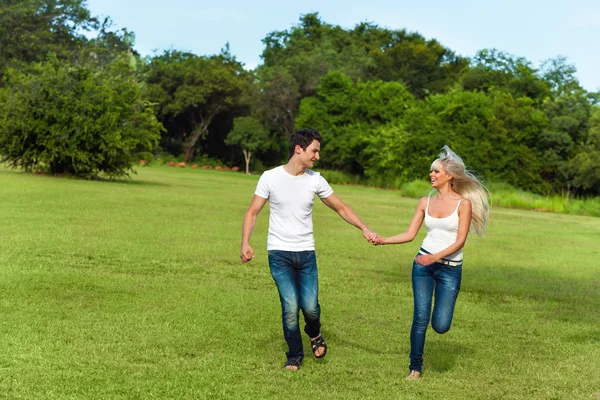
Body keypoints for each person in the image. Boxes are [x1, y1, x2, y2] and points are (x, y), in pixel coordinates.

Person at [240, 128, 379, 371]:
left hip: (306, 254)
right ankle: (294, 355)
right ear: (298, 149)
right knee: (291, 307)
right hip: (279, 253)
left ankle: (314, 332)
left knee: (311, 307)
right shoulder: (269, 177)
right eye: (314, 151)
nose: (317, 156)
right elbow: (252, 212)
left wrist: (364, 228)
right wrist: (245, 242)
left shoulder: (316, 180)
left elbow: (341, 208)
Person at [372, 145, 489, 380]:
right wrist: (382, 240)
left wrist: (434, 257)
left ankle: (421, 357)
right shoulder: (425, 202)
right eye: (431, 171)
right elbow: (409, 234)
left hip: (450, 270)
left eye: (436, 171)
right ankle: (414, 368)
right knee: (420, 318)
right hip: (423, 267)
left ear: (449, 176)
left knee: (441, 325)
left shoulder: (462, 204)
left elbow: (460, 242)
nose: (431, 175)